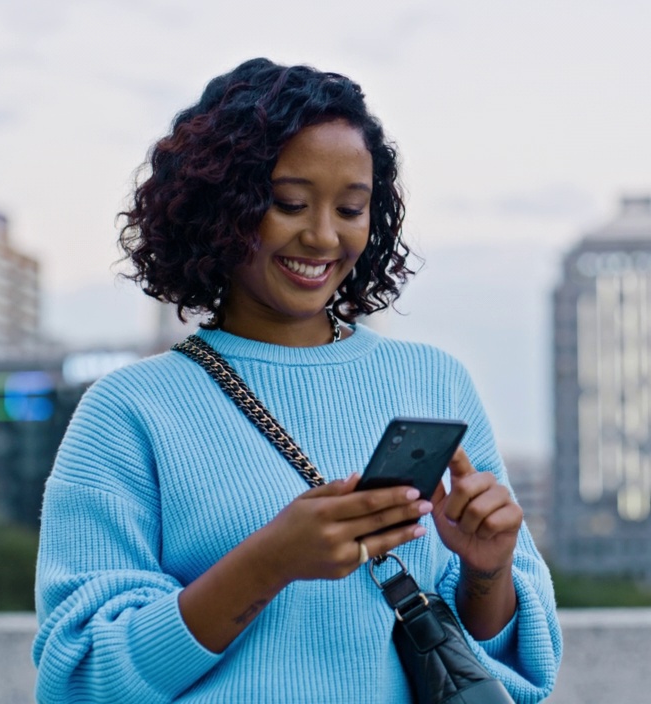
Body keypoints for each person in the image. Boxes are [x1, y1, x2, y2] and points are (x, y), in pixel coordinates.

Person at [31, 58, 562, 703]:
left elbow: (515, 664)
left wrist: (487, 568)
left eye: (350, 208)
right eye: (289, 204)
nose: (322, 236)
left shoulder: (433, 381)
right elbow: (82, 674)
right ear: (221, 207)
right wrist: (272, 560)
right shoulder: (127, 412)